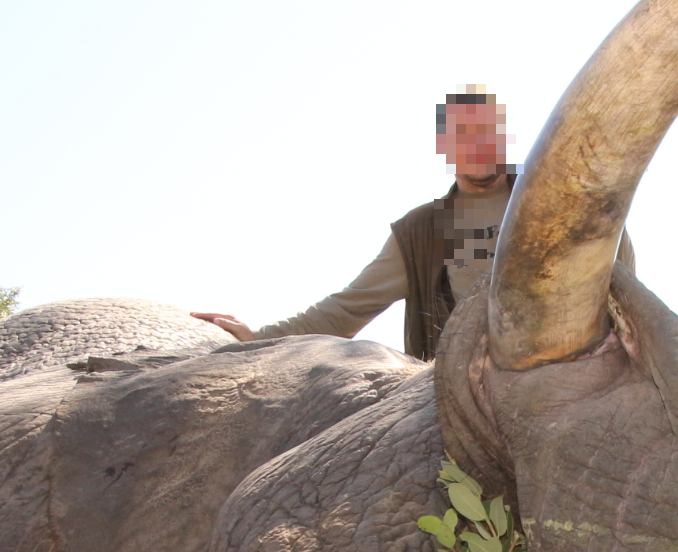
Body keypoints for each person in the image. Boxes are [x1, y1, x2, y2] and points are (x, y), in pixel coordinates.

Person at [194, 87, 632, 361]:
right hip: (469, 398)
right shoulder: (422, 232)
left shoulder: (562, 200)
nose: (476, 146)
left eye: (486, 132)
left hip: (577, 374)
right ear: (445, 146)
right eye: (463, 135)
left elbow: (623, 279)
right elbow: (348, 309)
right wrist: (258, 337)